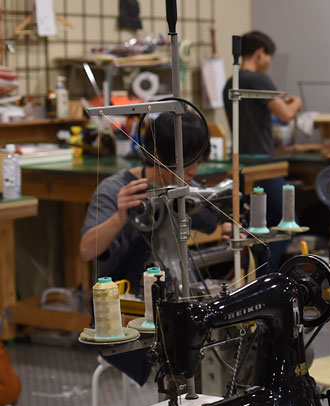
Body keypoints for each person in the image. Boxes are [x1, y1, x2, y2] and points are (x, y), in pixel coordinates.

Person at [79, 113, 231, 289]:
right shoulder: (115, 190)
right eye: (185, 163)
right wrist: (119, 218)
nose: (194, 172)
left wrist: (227, 231)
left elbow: (213, 222)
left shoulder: (185, 187)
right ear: (157, 156)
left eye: (198, 162)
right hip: (123, 302)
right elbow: (87, 250)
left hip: (172, 295)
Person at [223, 31, 302, 272]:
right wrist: (296, 101)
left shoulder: (231, 82)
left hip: (242, 166)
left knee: (255, 227)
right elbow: (286, 115)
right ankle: (266, 276)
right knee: (288, 223)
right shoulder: (259, 80)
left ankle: (256, 275)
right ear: (260, 53)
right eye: (268, 57)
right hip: (264, 166)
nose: (268, 63)